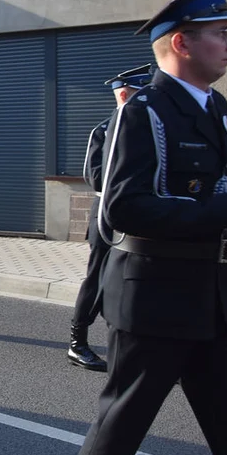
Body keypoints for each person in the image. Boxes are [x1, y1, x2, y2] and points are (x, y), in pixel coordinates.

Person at [61, 0, 227, 455]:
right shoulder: (143, 111)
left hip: (212, 293)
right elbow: (121, 207)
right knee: (124, 420)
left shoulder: (217, 106)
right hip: (156, 298)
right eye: (221, 33)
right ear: (183, 44)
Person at [66, 66, 152, 373]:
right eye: (143, 93)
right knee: (98, 278)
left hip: (141, 219)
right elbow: (96, 178)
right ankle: (78, 343)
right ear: (126, 94)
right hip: (107, 215)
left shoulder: (152, 131)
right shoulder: (104, 131)